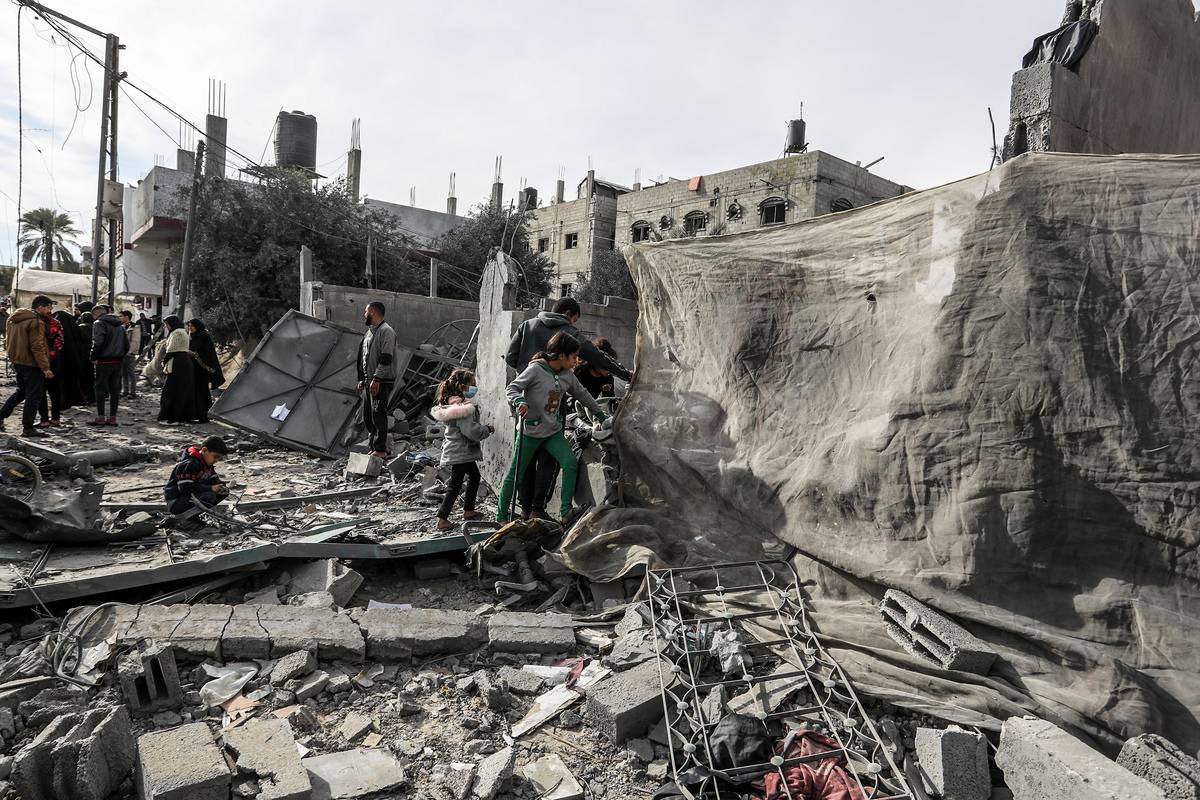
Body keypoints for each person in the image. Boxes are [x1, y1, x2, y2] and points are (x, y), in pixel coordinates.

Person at [504, 297, 632, 519]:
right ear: (569, 314)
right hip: (553, 407)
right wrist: (628, 375)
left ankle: (524, 509)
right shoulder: (567, 334)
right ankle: (537, 509)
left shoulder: (527, 325)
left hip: (526, 406)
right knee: (548, 458)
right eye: (574, 319)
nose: (574, 324)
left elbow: (511, 357)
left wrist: (530, 377)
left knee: (525, 461)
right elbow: (597, 357)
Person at [497, 332, 608, 523]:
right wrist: (519, 401)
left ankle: (565, 512)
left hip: (552, 431)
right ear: (562, 355)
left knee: (569, 462)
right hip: (530, 431)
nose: (576, 361)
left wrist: (600, 415)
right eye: (574, 357)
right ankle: (501, 517)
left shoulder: (567, 375)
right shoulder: (535, 370)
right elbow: (512, 388)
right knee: (516, 474)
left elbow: (583, 394)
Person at [430, 368, 494, 531]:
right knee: (455, 485)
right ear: (462, 387)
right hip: (461, 451)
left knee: (473, 476)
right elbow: (470, 431)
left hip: (458, 450)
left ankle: (468, 510)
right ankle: (442, 519)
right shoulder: (463, 408)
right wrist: (486, 429)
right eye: (472, 385)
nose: (475, 388)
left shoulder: (451, 404)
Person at [0, 295, 55, 437]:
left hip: (17, 361)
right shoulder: (36, 322)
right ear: (40, 307)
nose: (50, 311)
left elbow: (7, 341)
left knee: (22, 392)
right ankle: (28, 428)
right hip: (32, 364)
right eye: (48, 307)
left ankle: (1, 416)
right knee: (33, 396)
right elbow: (37, 347)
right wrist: (45, 368)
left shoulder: (13, 318)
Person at [356, 301, 397, 457]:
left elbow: (386, 358)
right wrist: (362, 378)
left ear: (373, 311)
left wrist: (377, 378)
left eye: (366, 311)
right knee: (368, 416)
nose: (364, 314)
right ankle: (373, 446)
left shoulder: (386, 331)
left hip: (381, 381)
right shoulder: (369, 333)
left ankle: (380, 450)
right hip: (369, 382)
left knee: (378, 414)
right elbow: (363, 358)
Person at [163, 434, 230, 514]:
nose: (216, 460)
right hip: (176, 502)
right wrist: (210, 488)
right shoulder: (190, 464)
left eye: (219, 458)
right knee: (209, 496)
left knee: (223, 492)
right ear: (204, 450)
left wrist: (220, 485)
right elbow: (185, 488)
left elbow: (213, 478)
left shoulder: (207, 465)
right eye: (215, 457)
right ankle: (187, 517)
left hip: (189, 498)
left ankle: (195, 516)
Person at [89, 304, 128, 426]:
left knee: (100, 389)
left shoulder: (99, 323)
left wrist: (93, 357)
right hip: (118, 361)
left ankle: (101, 417)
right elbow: (126, 345)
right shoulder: (120, 326)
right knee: (115, 390)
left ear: (96, 314)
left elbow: (98, 342)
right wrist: (120, 356)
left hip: (104, 361)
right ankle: (113, 418)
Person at [157, 316, 197, 424]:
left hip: (178, 364)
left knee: (171, 392)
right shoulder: (181, 331)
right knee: (180, 392)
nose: (166, 326)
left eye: (167, 324)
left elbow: (172, 350)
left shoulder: (177, 333)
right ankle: (179, 417)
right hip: (183, 364)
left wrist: (163, 362)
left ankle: (173, 418)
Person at [187, 318, 224, 422]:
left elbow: (208, 353)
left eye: (192, 326)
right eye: (189, 326)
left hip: (202, 370)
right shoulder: (193, 336)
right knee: (195, 392)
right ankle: (196, 415)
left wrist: (193, 354)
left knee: (202, 392)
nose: (190, 328)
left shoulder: (204, 336)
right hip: (195, 369)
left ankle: (204, 416)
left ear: (197, 326)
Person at [35, 309, 66, 428]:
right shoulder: (55, 323)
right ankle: (55, 419)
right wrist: (52, 354)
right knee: (55, 392)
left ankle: (44, 420)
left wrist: (45, 356)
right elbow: (60, 341)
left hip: (40, 361)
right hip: (54, 361)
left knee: (41, 392)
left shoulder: (36, 323)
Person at [75, 301, 95, 404]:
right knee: (91, 377)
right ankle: (92, 397)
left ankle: (83, 398)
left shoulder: (80, 327)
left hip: (82, 355)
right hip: (92, 354)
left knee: (82, 377)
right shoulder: (95, 327)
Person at [119, 310, 142, 399]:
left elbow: (135, 341)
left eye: (121, 316)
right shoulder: (121, 326)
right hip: (122, 353)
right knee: (124, 373)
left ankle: (132, 392)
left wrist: (130, 352)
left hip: (129, 354)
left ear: (126, 317)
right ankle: (125, 391)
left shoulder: (135, 327)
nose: (119, 318)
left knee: (131, 373)